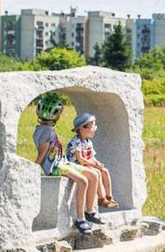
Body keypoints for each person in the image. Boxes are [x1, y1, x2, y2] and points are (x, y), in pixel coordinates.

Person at [33, 95, 103, 235]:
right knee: (83, 181)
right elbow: (42, 154)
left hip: (63, 162)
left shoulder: (43, 129)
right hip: (55, 166)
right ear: (56, 114)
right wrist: (34, 170)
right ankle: (80, 218)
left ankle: (89, 211)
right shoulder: (46, 131)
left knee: (94, 174)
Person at [67, 113, 121, 210]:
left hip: (86, 165)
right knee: (97, 173)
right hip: (76, 165)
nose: (94, 130)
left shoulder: (88, 142)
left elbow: (91, 157)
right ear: (82, 129)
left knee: (104, 171)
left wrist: (98, 163)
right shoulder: (76, 142)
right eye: (92, 127)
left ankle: (109, 197)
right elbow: (80, 159)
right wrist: (94, 165)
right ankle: (102, 198)